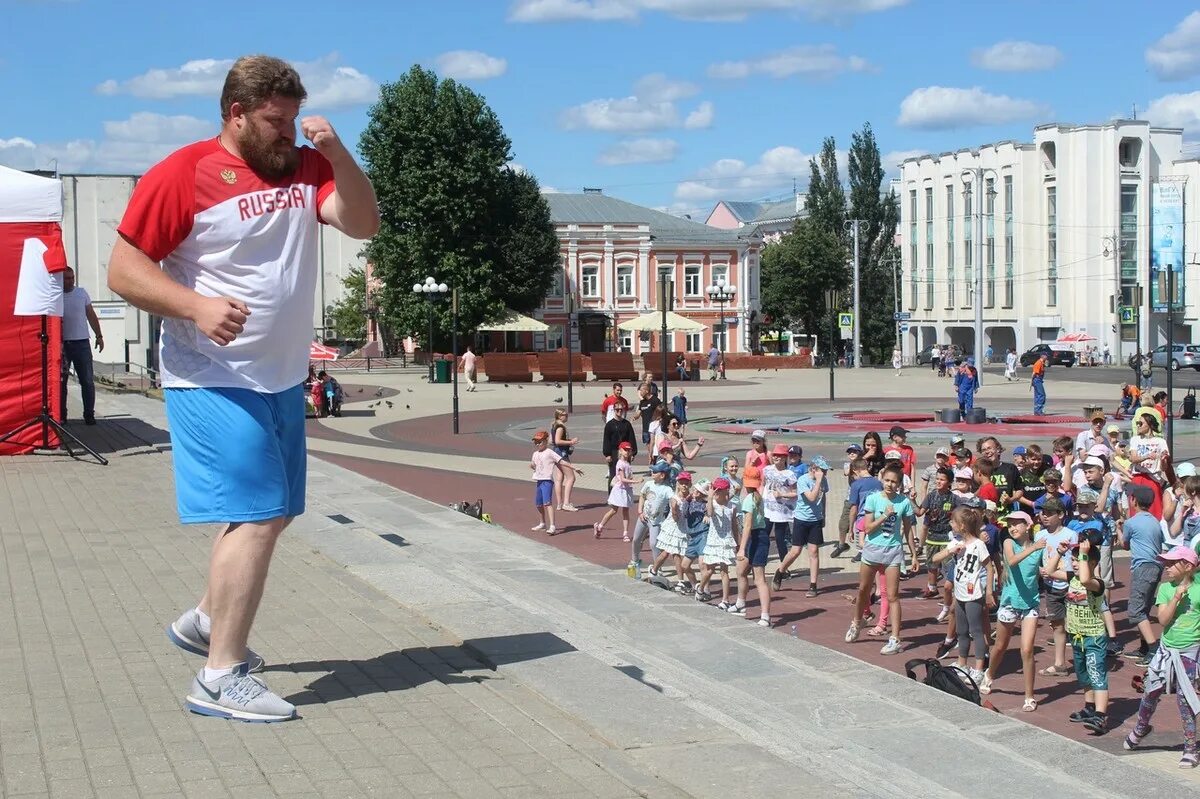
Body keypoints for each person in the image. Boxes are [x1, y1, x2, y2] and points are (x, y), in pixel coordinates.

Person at [109, 56, 380, 723]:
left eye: (292, 120)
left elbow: (364, 222)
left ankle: (208, 619)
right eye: (274, 120)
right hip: (211, 375)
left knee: (278, 509)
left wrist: (336, 150)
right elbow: (122, 269)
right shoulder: (183, 173)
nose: (287, 133)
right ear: (236, 113)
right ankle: (219, 675)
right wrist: (194, 305)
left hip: (281, 376)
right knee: (257, 513)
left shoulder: (304, 165)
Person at [1122, 546, 1200, 768]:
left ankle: (1190, 748)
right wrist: (1176, 597)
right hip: (1166, 651)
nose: (1166, 567)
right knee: (1151, 691)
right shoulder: (1166, 588)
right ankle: (1141, 728)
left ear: (1188, 566)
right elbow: (1163, 620)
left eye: (1171, 563)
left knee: (1185, 700)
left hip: (1189, 653)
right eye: (1165, 563)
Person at [846, 463, 914, 655]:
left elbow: (908, 529)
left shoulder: (904, 502)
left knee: (892, 595)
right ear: (882, 479)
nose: (890, 484)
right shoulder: (873, 499)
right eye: (887, 480)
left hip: (893, 551)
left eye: (894, 482)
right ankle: (857, 623)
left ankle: (895, 638)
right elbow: (867, 528)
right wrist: (885, 515)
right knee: (863, 590)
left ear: (900, 484)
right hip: (872, 550)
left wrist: (914, 553)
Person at [1047, 530, 1110, 734]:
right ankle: (1089, 707)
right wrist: (1059, 552)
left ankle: (1101, 715)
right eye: (1073, 560)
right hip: (1076, 635)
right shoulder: (1072, 577)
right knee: (1083, 675)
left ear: (1091, 563)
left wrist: (1084, 554)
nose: (1074, 563)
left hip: (1094, 636)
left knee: (1096, 674)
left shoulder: (1097, 584)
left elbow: (1085, 580)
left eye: (1078, 560)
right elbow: (1049, 570)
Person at [979, 511, 1044, 709]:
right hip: (1009, 602)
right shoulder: (1009, 543)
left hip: (1030, 605)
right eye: (1010, 524)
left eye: (1018, 524)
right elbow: (1012, 560)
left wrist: (1058, 555)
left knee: (1027, 649)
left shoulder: (1039, 547)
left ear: (1028, 526)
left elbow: (1048, 568)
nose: (1013, 528)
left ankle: (1029, 696)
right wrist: (1033, 548)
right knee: (1000, 646)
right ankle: (989, 674)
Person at [933, 507, 994, 685]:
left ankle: (979, 667)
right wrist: (950, 552)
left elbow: (989, 567)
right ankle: (962, 663)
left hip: (973, 592)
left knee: (976, 630)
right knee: (961, 630)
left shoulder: (978, 545)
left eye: (953, 522)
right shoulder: (956, 543)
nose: (950, 524)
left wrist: (989, 591)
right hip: (959, 593)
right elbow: (935, 558)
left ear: (962, 526)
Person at [1122, 483, 1166, 665]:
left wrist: (1119, 528)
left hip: (1143, 567)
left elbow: (1124, 544)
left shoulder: (1131, 522)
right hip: (1156, 567)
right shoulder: (1154, 521)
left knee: (1136, 610)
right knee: (1145, 608)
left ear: (1134, 500)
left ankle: (1153, 648)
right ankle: (1144, 647)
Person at [775, 456, 830, 598]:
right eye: (822, 470)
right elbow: (811, 497)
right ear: (814, 469)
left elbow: (822, 497)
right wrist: (818, 481)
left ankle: (813, 584)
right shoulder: (803, 480)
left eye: (825, 470)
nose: (825, 473)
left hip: (815, 520)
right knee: (796, 551)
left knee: (814, 551)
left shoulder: (823, 480)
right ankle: (780, 570)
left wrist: (823, 514)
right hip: (801, 519)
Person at [59, 266, 103, 425]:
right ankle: (61, 415)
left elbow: (91, 315)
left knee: (87, 381)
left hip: (82, 343)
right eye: (66, 278)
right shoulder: (55, 296)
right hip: (62, 345)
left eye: (72, 278)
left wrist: (99, 335)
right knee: (61, 382)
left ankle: (89, 415)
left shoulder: (81, 293)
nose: (70, 281)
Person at [731, 466, 773, 626]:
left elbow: (747, 526)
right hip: (757, 536)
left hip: (757, 537)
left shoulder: (750, 499)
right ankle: (741, 603)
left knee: (759, 579)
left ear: (745, 481)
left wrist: (741, 548)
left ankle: (765, 616)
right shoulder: (757, 496)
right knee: (741, 570)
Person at [697, 477, 739, 610]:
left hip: (726, 541)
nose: (715, 491)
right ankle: (700, 588)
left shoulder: (732, 506)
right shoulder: (713, 503)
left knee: (724, 571)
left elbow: (734, 525)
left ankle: (725, 600)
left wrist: (737, 542)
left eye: (718, 489)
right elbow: (709, 513)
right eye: (714, 488)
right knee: (709, 570)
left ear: (725, 491)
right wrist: (709, 497)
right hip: (714, 541)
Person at [530, 430, 581, 536]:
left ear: (545, 441)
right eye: (536, 442)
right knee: (538, 504)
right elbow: (534, 464)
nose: (537, 444)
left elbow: (561, 461)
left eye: (539, 442)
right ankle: (542, 523)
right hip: (539, 481)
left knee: (547, 503)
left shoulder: (549, 452)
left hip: (547, 481)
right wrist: (532, 465)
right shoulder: (535, 454)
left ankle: (552, 525)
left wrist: (574, 467)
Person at [762, 444, 799, 570]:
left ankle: (784, 568)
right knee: (763, 535)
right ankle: (759, 563)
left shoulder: (790, 474)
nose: (777, 457)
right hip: (767, 509)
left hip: (782, 512)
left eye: (780, 455)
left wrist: (782, 494)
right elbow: (763, 485)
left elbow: (795, 493)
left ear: (785, 458)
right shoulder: (767, 470)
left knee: (779, 539)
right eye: (775, 455)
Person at [595, 442, 635, 541]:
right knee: (614, 510)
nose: (627, 452)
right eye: (625, 450)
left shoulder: (627, 463)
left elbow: (628, 476)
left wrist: (631, 479)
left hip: (626, 489)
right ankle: (600, 526)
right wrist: (635, 481)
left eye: (628, 450)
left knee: (626, 511)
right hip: (620, 490)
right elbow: (622, 479)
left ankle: (625, 533)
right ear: (620, 451)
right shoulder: (620, 463)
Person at [601, 403, 637, 487]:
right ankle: (612, 496)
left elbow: (631, 438)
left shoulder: (627, 424)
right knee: (613, 474)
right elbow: (606, 440)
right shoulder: (609, 425)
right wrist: (607, 454)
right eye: (617, 409)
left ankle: (624, 495)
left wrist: (633, 453)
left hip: (625, 452)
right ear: (614, 410)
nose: (620, 411)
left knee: (626, 473)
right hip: (614, 451)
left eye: (621, 409)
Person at [551, 408, 579, 512]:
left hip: (555, 452)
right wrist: (571, 442)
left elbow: (551, 441)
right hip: (561, 454)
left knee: (559, 478)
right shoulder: (560, 427)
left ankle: (559, 503)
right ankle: (566, 503)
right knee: (571, 477)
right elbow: (557, 441)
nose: (566, 416)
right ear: (559, 416)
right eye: (564, 414)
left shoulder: (553, 425)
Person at [631, 384, 661, 449]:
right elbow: (639, 413)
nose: (640, 393)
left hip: (654, 428)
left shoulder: (655, 400)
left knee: (656, 447)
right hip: (645, 428)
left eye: (641, 391)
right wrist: (634, 417)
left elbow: (661, 412)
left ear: (646, 391)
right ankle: (650, 458)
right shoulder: (642, 402)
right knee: (648, 446)